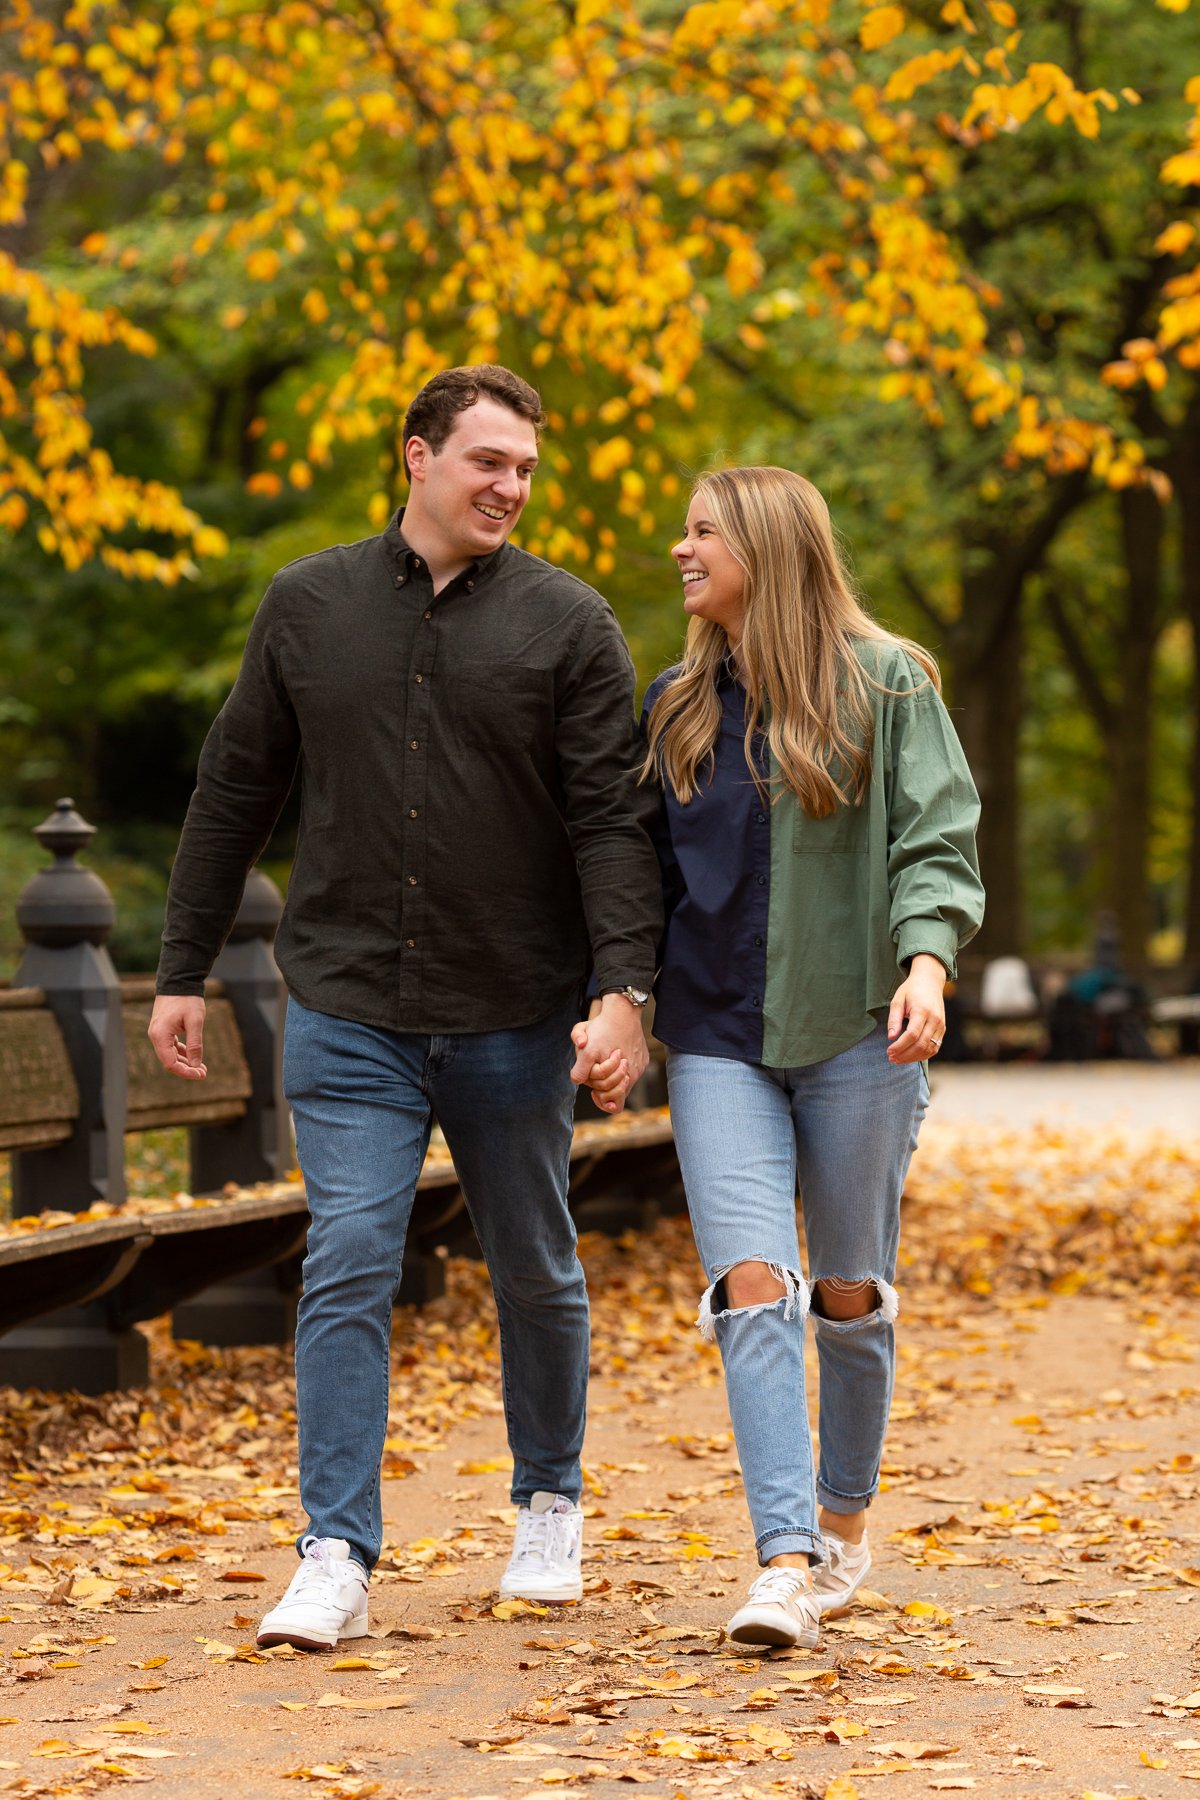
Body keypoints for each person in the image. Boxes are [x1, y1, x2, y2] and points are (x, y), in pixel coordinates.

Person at [148, 364, 661, 1650]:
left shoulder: (571, 623)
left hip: (511, 1004)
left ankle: (548, 1500)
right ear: (417, 456)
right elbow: (233, 793)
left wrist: (622, 992)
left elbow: (613, 820)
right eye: (490, 462)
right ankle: (334, 1551)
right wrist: (180, 969)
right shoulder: (306, 605)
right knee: (350, 1261)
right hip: (350, 1003)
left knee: (535, 1266)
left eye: (528, 470)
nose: (512, 488)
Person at [640, 466, 983, 1649]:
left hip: (855, 1032)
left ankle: (842, 1523)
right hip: (718, 1038)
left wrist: (926, 965)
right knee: (752, 1286)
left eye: (701, 532)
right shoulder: (677, 706)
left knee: (846, 1294)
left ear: (769, 546)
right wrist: (620, 1001)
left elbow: (935, 839)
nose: (679, 550)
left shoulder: (889, 683)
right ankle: (783, 1560)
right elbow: (640, 879)